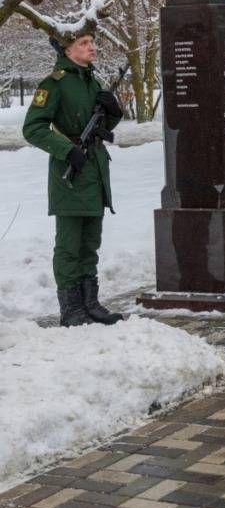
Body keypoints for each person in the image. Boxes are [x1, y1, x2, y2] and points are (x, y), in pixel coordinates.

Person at [22, 32, 125, 327]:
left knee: (90, 243)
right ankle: (71, 309)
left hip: (95, 171)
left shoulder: (92, 81)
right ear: (67, 50)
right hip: (71, 173)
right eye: (83, 43)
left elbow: (100, 126)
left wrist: (113, 111)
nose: (92, 47)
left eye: (92, 42)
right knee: (69, 245)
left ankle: (90, 303)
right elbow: (33, 128)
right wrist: (67, 150)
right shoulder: (54, 83)